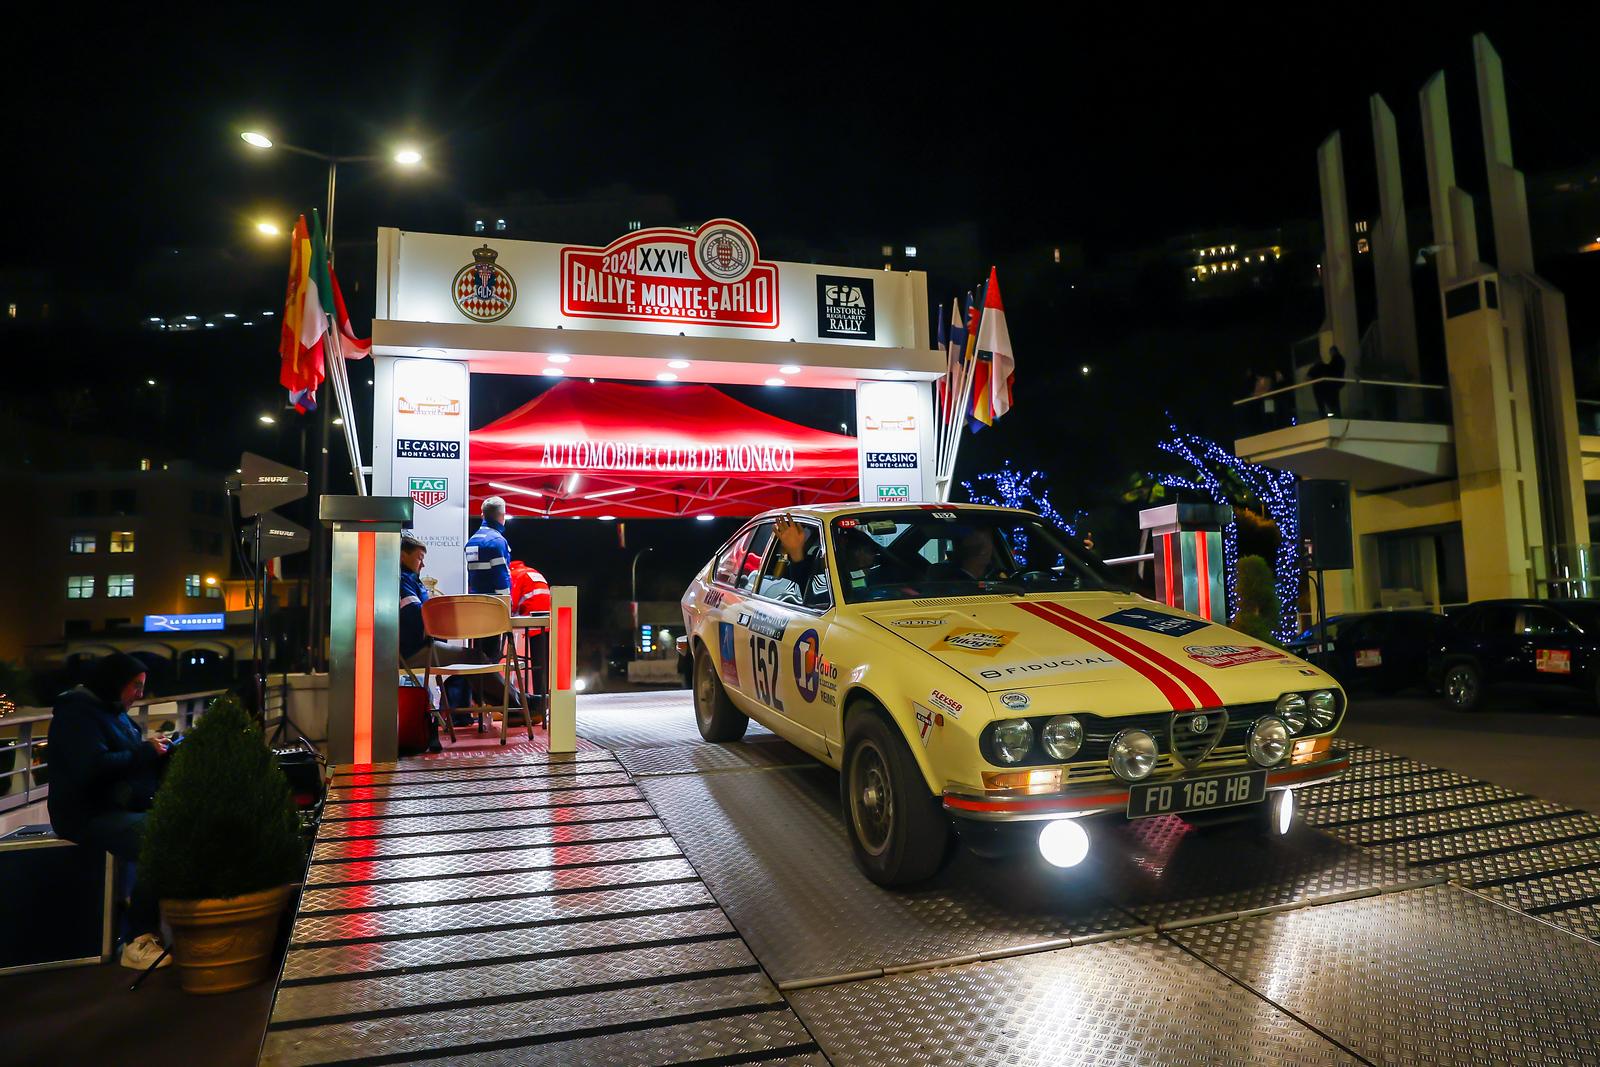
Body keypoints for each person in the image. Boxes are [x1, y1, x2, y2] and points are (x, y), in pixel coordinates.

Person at [46, 653, 172, 969]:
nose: (140, 695)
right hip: (85, 816)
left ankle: (140, 905)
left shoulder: (114, 712)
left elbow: (128, 759)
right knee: (156, 838)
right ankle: (138, 939)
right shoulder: (76, 714)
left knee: (173, 826)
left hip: (115, 808)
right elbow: (92, 768)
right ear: (114, 683)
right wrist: (145, 751)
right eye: (135, 686)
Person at [400, 535, 512, 722]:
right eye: (420, 557)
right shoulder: (403, 580)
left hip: (417, 646)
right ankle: (517, 705)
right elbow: (415, 616)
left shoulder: (409, 580)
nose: (423, 564)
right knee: (474, 657)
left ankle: (513, 704)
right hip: (413, 651)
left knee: (471, 659)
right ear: (403, 556)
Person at [1309, 345, 1346, 418]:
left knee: (1324, 404)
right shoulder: (1339, 360)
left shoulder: (1334, 361)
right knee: (1333, 402)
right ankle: (1337, 415)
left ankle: (1330, 416)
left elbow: (1308, 378)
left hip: (1326, 386)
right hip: (1330, 385)